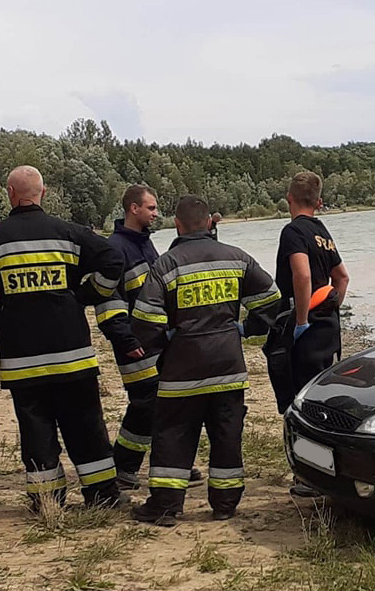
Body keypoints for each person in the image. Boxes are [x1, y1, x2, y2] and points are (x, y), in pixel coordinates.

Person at [0, 166, 138, 509]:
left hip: (22, 360)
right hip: (72, 354)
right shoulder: (67, 233)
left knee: (36, 432)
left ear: (10, 192)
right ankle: (103, 497)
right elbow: (113, 259)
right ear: (45, 192)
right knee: (86, 427)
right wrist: (87, 294)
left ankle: (46, 502)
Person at [129, 195, 283, 525]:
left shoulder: (167, 264)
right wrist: (245, 328)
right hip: (228, 366)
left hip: (182, 370)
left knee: (173, 435)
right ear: (210, 224)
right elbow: (272, 299)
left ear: (178, 225)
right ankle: (225, 504)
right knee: (227, 436)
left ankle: (166, 507)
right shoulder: (237, 257)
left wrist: (163, 343)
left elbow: (144, 318)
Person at [261, 172, 350, 496]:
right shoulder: (322, 232)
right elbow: (341, 278)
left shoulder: (293, 231)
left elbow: (300, 275)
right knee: (322, 400)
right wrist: (330, 308)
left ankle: (310, 476)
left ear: (289, 198)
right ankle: (324, 472)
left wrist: (301, 320)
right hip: (328, 331)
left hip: (306, 330)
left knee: (299, 403)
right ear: (319, 202)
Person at [100, 183, 161, 489]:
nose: (155, 213)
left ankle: (168, 463)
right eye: (151, 208)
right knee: (145, 403)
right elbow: (108, 301)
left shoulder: (146, 244)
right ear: (133, 209)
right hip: (135, 343)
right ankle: (123, 466)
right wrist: (125, 340)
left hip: (158, 339)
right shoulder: (115, 248)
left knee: (165, 401)